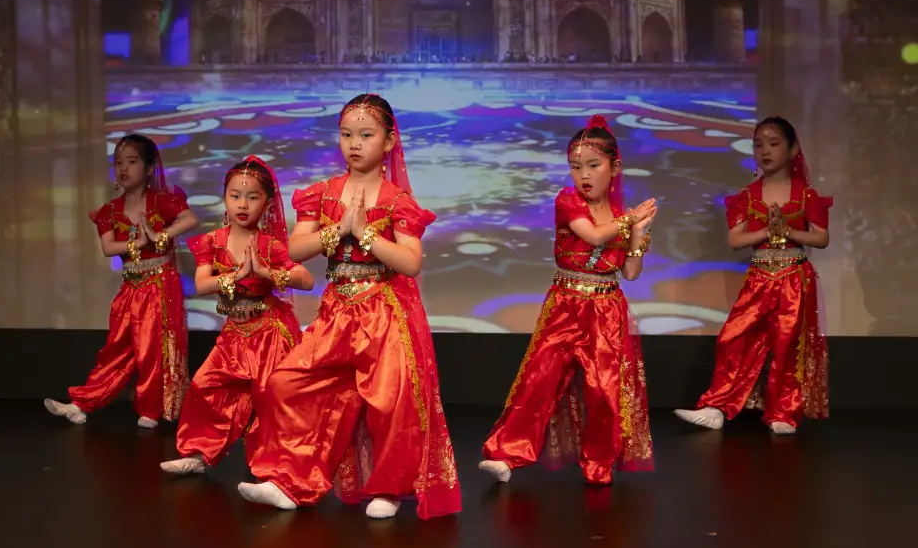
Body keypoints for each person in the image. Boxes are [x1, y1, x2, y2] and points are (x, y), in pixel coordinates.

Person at [236, 93, 461, 519]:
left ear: (389, 141)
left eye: (365, 135)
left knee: (389, 400)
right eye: (346, 134)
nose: (354, 143)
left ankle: (388, 488)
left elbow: (410, 262)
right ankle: (290, 480)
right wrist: (338, 230)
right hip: (337, 309)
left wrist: (365, 233)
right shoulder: (322, 193)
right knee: (286, 382)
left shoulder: (397, 201)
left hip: (384, 312)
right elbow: (293, 250)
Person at [478, 115, 657, 486]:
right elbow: (593, 236)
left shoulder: (621, 217)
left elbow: (631, 273)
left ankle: (599, 464)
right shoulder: (569, 201)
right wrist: (630, 222)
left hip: (606, 309)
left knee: (605, 390)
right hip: (565, 304)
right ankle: (507, 455)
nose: (583, 175)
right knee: (539, 380)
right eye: (576, 167)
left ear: (614, 168)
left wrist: (638, 234)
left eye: (593, 165)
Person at [674, 116, 831, 435]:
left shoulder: (806, 195)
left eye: (774, 143)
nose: (765, 151)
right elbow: (735, 240)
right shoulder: (746, 196)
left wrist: (788, 231)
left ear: (793, 149)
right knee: (734, 337)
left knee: (787, 343)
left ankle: (782, 412)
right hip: (759, 275)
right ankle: (716, 407)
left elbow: (821, 237)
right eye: (758, 145)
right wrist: (768, 232)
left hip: (794, 276)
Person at [160, 156, 314, 475]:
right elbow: (202, 284)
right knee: (205, 385)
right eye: (235, 195)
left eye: (252, 197)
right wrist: (238, 275)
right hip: (234, 333)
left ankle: (275, 467)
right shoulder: (213, 242)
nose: (242, 204)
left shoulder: (270, 245)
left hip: (269, 332)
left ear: (266, 203)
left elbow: (306, 279)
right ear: (225, 198)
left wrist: (266, 272)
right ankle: (198, 453)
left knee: (269, 398)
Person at [44, 134, 198, 427]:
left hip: (160, 284)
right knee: (116, 348)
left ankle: (151, 409)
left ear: (149, 168)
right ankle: (81, 403)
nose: (123, 168)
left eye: (132, 161)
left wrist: (161, 236)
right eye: (118, 163)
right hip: (131, 285)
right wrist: (137, 243)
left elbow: (191, 220)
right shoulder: (110, 210)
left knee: (152, 348)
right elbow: (107, 248)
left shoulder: (162, 201)